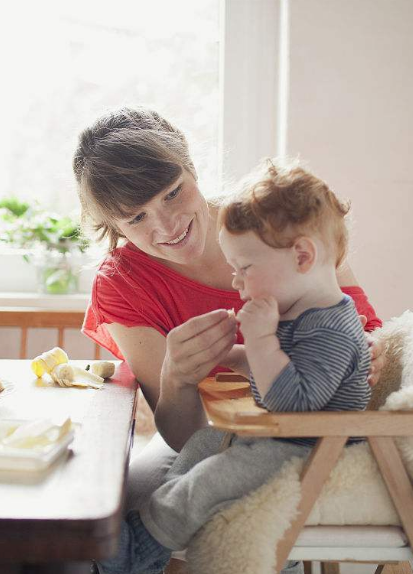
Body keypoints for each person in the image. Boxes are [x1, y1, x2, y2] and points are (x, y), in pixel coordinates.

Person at [94, 159, 372, 573]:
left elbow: (292, 405)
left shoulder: (329, 326)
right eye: (137, 217)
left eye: (244, 270)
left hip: (314, 449)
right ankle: (161, 524)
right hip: (285, 439)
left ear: (302, 255)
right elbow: (286, 376)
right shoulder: (303, 311)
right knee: (204, 446)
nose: (237, 282)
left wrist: (258, 341)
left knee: (213, 478)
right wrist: (225, 357)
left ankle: (143, 544)